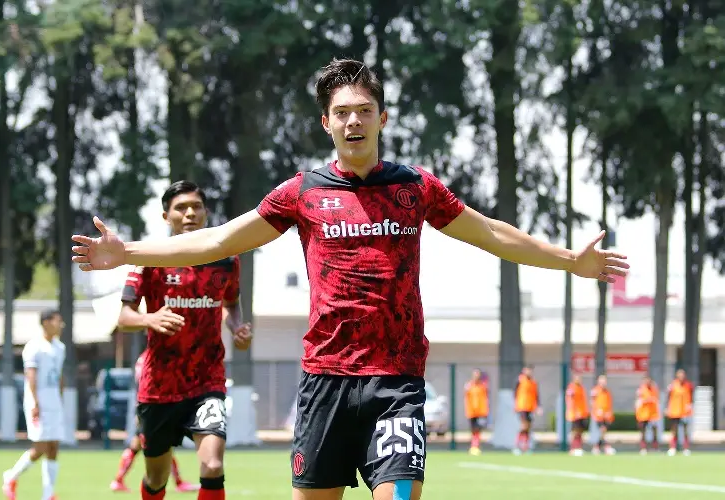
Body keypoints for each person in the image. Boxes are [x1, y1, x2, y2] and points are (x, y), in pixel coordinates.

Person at [71, 59, 629, 500]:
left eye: (364, 110)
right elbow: (219, 240)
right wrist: (128, 253)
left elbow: (490, 234)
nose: (353, 121)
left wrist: (567, 260)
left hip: (397, 384)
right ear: (326, 122)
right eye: (341, 112)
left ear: (383, 118)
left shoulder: (416, 188)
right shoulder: (302, 192)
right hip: (325, 383)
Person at [111, 180, 252, 500]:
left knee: (213, 466)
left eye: (196, 206)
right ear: (166, 216)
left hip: (208, 380)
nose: (190, 213)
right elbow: (124, 317)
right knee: (156, 479)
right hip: (159, 387)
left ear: (205, 212)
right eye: (181, 208)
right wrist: (150, 318)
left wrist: (237, 326)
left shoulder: (227, 259)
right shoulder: (150, 259)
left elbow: (230, 302)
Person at [110, 349, 199, 492]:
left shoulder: (145, 357)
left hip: (147, 406)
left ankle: (118, 480)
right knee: (146, 446)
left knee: (153, 446)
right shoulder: (154, 357)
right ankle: (118, 480)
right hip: (153, 407)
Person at [2, 309, 66, 500]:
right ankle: (11, 476)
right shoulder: (33, 346)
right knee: (40, 447)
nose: (60, 325)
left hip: (54, 402)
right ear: (46, 322)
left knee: (54, 446)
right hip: (38, 402)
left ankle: (48, 494)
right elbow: (31, 375)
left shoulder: (60, 347)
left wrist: (60, 397)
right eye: (57, 321)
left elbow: (59, 376)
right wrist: (36, 403)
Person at [666, 368, 694, 456]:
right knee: (674, 430)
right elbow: (669, 397)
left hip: (685, 411)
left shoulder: (688, 385)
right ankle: (672, 447)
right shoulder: (672, 385)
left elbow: (691, 396)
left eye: (683, 375)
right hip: (675, 411)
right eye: (680, 375)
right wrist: (668, 408)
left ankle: (686, 448)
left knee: (685, 430)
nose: (681, 377)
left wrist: (690, 406)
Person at [514, 366, 541, 455]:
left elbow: (536, 395)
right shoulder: (520, 381)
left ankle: (525, 447)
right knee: (524, 426)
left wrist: (538, 406)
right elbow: (515, 393)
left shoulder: (533, 383)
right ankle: (518, 446)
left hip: (530, 407)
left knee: (528, 428)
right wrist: (515, 405)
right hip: (522, 407)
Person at [463, 369, 489, 455]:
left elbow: (485, 399)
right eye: (475, 374)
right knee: (473, 430)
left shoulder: (483, 386)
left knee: (478, 429)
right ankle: (473, 446)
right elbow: (466, 398)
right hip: (471, 412)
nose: (476, 376)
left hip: (481, 412)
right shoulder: (469, 386)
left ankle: (475, 446)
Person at [590, 374, 615, 455]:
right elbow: (592, 402)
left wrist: (609, 413)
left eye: (604, 381)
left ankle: (597, 447)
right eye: (601, 381)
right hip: (598, 416)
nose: (603, 383)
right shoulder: (595, 391)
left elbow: (609, 404)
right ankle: (604, 446)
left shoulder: (607, 392)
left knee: (603, 432)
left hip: (606, 415)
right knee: (602, 430)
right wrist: (596, 410)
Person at [635, 375, 660, 454]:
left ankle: (655, 447)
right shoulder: (641, 390)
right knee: (643, 432)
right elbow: (638, 401)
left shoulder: (654, 389)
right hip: (643, 414)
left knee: (654, 431)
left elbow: (656, 400)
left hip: (652, 414)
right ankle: (643, 448)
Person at [565, 374, 589, 456]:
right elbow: (570, 401)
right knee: (575, 431)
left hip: (582, 413)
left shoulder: (581, 388)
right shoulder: (571, 388)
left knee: (581, 432)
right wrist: (573, 411)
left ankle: (579, 448)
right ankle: (572, 448)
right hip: (575, 414)